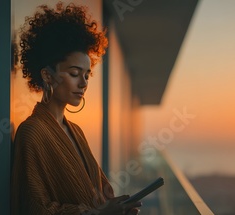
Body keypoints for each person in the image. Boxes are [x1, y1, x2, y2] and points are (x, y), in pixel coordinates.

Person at [11, 2, 141, 215]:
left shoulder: (76, 131)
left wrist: (117, 208)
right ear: (47, 75)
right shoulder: (32, 132)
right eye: (74, 73)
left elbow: (98, 197)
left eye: (87, 75)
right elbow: (36, 209)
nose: (83, 83)